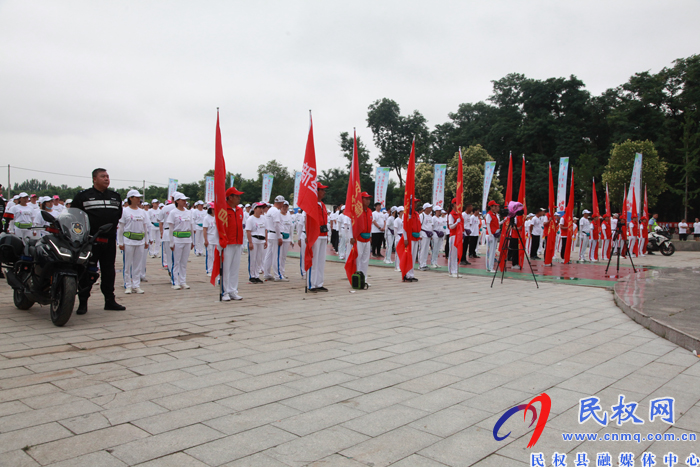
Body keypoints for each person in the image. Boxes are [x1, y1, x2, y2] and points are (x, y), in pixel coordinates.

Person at [72, 168, 126, 314]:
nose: (107, 179)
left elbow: (118, 215)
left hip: (108, 241)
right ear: (94, 179)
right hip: (90, 241)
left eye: (108, 176)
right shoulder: (83, 196)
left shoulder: (115, 196)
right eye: (103, 176)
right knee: (87, 270)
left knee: (109, 271)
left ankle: (109, 300)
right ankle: (83, 302)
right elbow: (75, 216)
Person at [117, 190, 149, 294]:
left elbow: (145, 227)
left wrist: (146, 240)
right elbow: (121, 228)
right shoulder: (125, 211)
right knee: (127, 264)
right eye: (137, 197)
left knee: (137, 264)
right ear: (130, 198)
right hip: (128, 240)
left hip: (140, 240)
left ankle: (136, 285)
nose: (139, 199)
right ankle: (128, 285)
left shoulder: (142, 211)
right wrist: (120, 242)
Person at [221, 187, 245, 300]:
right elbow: (220, 227)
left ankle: (233, 290)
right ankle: (224, 292)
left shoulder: (240, 210)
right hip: (227, 243)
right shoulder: (223, 209)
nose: (239, 198)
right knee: (226, 268)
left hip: (237, 242)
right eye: (237, 196)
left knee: (235, 268)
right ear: (230, 197)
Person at [166, 193, 194, 290]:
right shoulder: (173, 212)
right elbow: (171, 229)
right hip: (177, 239)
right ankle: (175, 282)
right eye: (182, 200)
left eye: (185, 200)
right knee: (176, 262)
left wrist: (192, 241)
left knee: (184, 262)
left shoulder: (189, 212)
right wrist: (171, 242)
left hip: (187, 238)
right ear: (177, 201)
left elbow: (191, 227)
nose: (185, 202)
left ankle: (183, 281)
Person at [307, 184, 329, 292]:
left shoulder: (323, 205)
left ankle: (319, 283)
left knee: (321, 260)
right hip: (315, 235)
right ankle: (311, 283)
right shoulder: (311, 204)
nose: (324, 192)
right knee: (314, 260)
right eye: (322, 190)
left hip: (323, 235)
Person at [348, 192, 373, 279]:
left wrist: (371, 236)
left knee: (365, 260)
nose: (368, 201)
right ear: (360, 199)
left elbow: (370, 225)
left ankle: (364, 279)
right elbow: (351, 224)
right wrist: (351, 236)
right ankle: (356, 278)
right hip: (359, 238)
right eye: (366, 198)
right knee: (358, 259)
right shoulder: (357, 210)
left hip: (367, 238)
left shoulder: (370, 211)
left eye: (369, 199)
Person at [263, 196, 284, 280]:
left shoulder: (270, 210)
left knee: (269, 255)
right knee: (276, 255)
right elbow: (276, 225)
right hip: (275, 234)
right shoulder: (276, 211)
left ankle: (267, 273)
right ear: (281, 203)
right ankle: (278, 275)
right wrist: (279, 237)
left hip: (270, 234)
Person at [245, 202, 267, 283]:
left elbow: (265, 230)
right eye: (259, 208)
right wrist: (250, 242)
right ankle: (252, 276)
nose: (261, 210)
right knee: (252, 259)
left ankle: (257, 275)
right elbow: (248, 231)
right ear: (254, 209)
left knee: (259, 259)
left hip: (261, 240)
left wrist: (266, 241)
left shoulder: (263, 218)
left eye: (262, 208)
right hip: (254, 239)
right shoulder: (250, 219)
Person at [274, 200, 294, 281]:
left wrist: (291, 239)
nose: (284, 208)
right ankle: (278, 274)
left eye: (286, 206)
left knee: (284, 256)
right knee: (279, 256)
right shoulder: (278, 214)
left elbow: (291, 228)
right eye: (283, 206)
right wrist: (279, 236)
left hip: (287, 237)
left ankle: (282, 272)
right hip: (281, 236)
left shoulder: (289, 215)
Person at [447, 199, 462, 278]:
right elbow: (451, 226)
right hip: (453, 236)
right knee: (452, 254)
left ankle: (455, 270)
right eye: (457, 204)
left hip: (458, 236)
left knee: (456, 254)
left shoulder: (459, 214)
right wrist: (456, 222)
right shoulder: (451, 214)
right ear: (453, 204)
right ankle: (451, 271)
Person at [202, 203, 218, 276]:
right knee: (210, 255)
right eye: (214, 209)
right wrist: (205, 240)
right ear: (210, 209)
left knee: (215, 255)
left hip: (216, 238)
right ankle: (209, 270)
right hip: (209, 237)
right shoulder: (206, 218)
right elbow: (204, 229)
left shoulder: (217, 217)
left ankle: (215, 269)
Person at [484, 200, 500, 273]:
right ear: (491, 207)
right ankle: (489, 267)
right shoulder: (489, 214)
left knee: (493, 252)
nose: (496, 207)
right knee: (490, 252)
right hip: (490, 235)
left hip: (494, 234)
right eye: (494, 206)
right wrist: (490, 234)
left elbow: (496, 224)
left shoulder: (494, 215)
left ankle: (491, 266)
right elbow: (487, 224)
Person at [393, 206, 404, 272]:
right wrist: (396, 237)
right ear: (399, 212)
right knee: (398, 252)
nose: (403, 212)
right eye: (402, 211)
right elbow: (395, 230)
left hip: (403, 236)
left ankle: (401, 266)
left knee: (402, 252)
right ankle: (397, 267)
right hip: (398, 236)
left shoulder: (404, 219)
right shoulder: (396, 220)